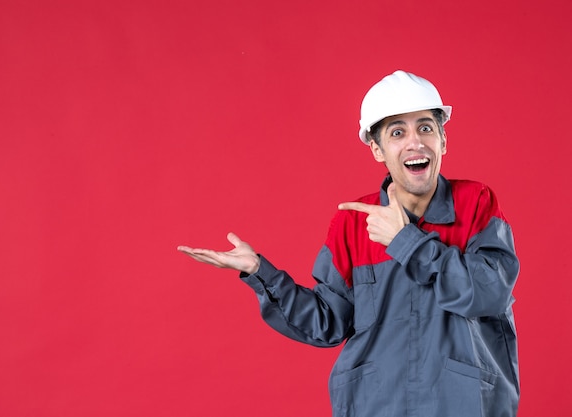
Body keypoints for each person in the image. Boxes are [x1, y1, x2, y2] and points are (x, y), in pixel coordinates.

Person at [177, 70, 520, 417]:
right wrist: (258, 272)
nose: (415, 142)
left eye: (426, 127)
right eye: (397, 132)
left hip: (462, 405)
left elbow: (488, 292)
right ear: (377, 149)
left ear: (443, 141)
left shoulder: (476, 202)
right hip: (376, 405)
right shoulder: (353, 223)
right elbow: (327, 322)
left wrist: (406, 241)